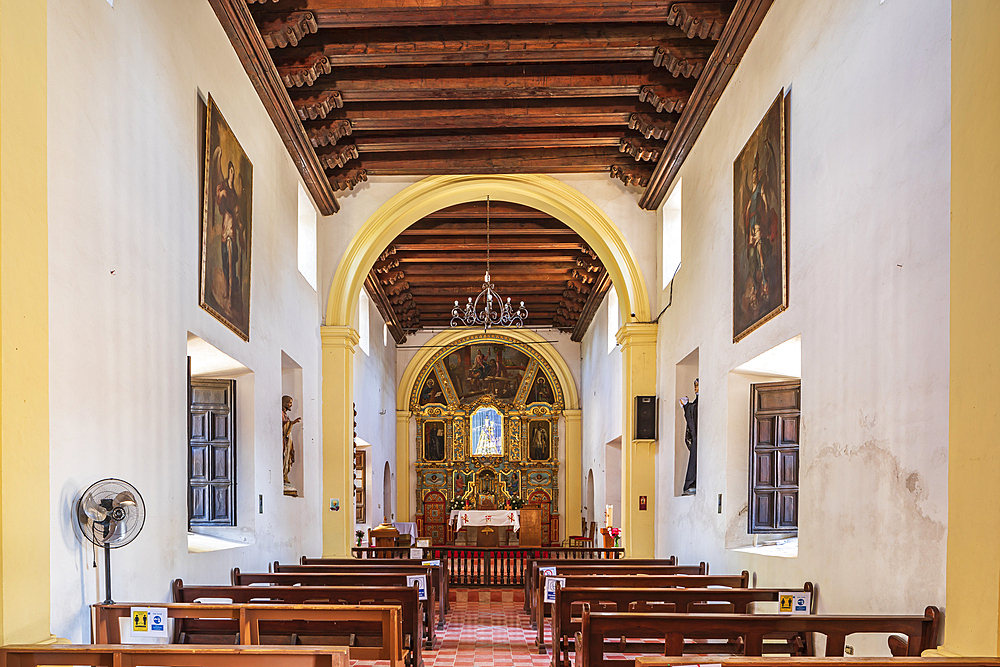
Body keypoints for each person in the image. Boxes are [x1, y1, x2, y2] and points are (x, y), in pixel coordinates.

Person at [679, 379, 698, 495]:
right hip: (697, 438)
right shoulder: (696, 402)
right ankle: (691, 483)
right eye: (694, 386)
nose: (696, 389)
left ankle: (692, 483)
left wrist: (687, 406)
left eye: (697, 386)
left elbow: (695, 411)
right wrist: (687, 406)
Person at [282, 395, 301, 496]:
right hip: (283, 444)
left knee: (287, 460)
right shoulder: (280, 414)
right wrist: (292, 423)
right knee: (284, 460)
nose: (291, 405)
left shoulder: (285, 414)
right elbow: (282, 428)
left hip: (287, 443)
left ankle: (285, 477)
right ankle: (283, 477)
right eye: (289, 403)